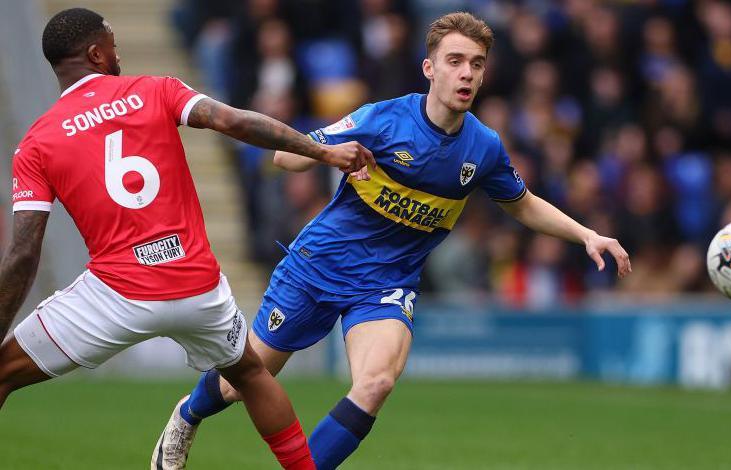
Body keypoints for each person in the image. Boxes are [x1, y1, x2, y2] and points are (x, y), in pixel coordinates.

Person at [156, 11, 631, 470]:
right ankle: (187, 415)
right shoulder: (383, 120)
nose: (466, 73)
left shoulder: (483, 148)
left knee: (376, 382)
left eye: (477, 64)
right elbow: (284, 157)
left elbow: (522, 203)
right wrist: (328, 153)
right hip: (318, 266)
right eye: (455, 61)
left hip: (385, 282)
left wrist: (587, 234)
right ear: (430, 68)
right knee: (245, 380)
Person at [0, 8, 373, 470]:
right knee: (252, 375)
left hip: (115, 296)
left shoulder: (37, 143)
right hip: (197, 287)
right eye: (111, 42)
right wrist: (321, 150)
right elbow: (233, 122)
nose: (117, 51)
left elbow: (22, 254)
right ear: (96, 53)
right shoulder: (157, 89)